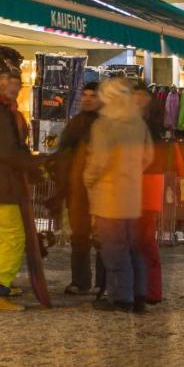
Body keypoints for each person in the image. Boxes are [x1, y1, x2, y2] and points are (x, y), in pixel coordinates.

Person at [83, 77, 153, 313]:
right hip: (133, 197)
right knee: (134, 247)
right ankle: (139, 293)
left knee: (114, 249)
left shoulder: (104, 125)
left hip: (109, 198)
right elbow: (148, 157)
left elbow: (98, 162)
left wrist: (88, 180)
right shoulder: (138, 124)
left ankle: (121, 298)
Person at [52, 79, 100, 296]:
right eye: (85, 95)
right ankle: (80, 281)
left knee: (102, 238)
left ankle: (103, 282)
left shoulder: (105, 125)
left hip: (99, 190)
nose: (88, 99)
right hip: (77, 190)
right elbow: (63, 153)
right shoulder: (75, 123)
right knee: (79, 237)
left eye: (93, 96)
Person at [0, 46, 39, 311]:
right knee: (13, 236)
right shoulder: (4, 113)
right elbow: (10, 151)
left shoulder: (9, 111)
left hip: (8, 183)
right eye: (11, 78)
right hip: (5, 185)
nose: (15, 84)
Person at [134, 82, 165, 304]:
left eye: (142, 97)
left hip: (148, 183)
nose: (138, 100)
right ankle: (144, 288)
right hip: (137, 183)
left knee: (145, 239)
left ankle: (151, 290)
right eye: (134, 97)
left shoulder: (151, 125)